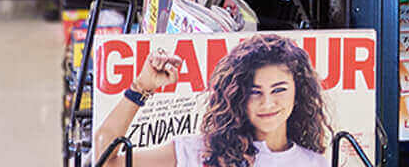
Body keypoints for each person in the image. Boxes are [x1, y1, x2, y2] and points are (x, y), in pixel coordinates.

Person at [95, 34, 332, 167]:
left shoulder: (314, 164)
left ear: (297, 91)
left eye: (279, 90)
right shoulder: (197, 151)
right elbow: (102, 163)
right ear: (238, 95)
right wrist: (140, 88)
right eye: (254, 91)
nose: (268, 103)